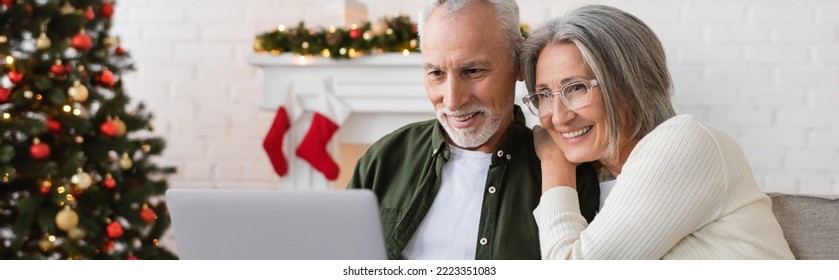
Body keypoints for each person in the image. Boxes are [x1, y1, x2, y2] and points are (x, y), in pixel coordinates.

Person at [520, 4, 795, 259]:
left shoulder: (685, 140)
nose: (558, 116)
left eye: (577, 88)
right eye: (544, 94)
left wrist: (555, 164)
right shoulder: (599, 180)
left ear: (630, 85)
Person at [347, 0, 600, 260]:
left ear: (518, 64)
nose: (453, 100)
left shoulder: (567, 177)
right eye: (436, 73)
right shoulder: (385, 156)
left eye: (472, 71)